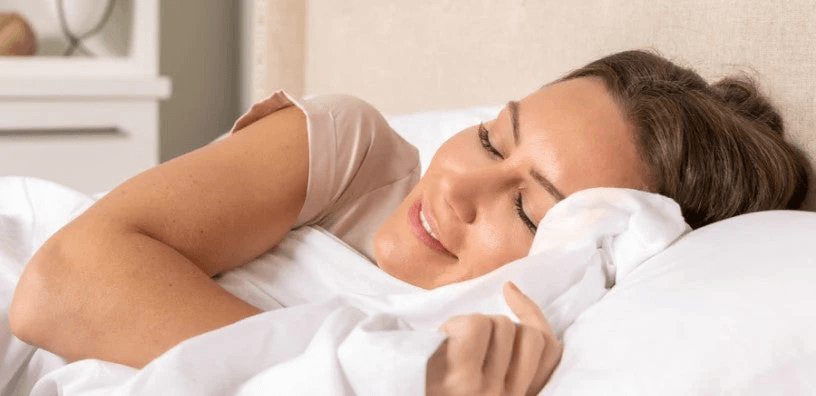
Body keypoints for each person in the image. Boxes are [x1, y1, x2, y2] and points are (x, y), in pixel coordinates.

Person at [9, 49, 808, 395]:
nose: (459, 187)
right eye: (493, 136)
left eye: (529, 210)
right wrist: (380, 375)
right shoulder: (347, 152)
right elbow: (58, 287)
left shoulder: (494, 347)